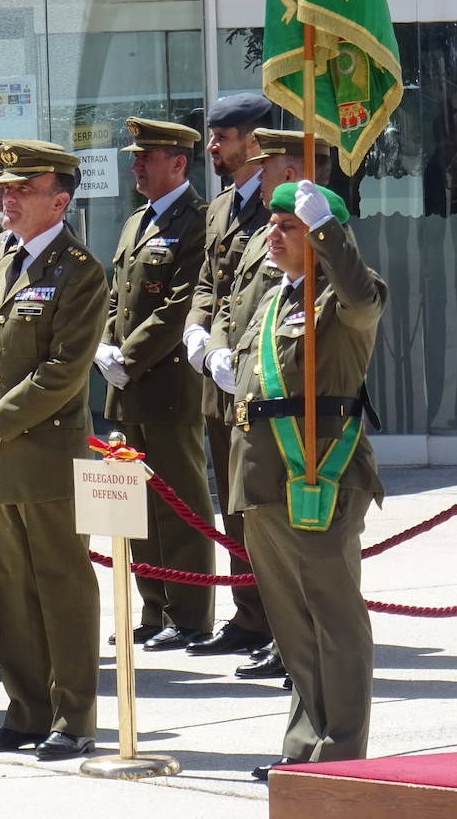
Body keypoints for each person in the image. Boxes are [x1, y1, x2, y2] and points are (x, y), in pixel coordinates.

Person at [230, 180, 385, 778]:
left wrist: (326, 228)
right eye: (274, 224)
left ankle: (341, 749)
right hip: (266, 480)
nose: (274, 234)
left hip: (321, 475)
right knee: (292, 622)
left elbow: (363, 300)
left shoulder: (345, 297)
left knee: (333, 618)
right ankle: (305, 744)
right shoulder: (276, 301)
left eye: (290, 226)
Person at [0, 140, 105, 761]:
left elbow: (63, 370)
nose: (5, 199)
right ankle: (24, 711)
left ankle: (72, 717)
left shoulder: (80, 270)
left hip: (45, 455)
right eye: (2, 189)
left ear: (60, 200)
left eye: (20, 190)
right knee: (9, 587)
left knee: (60, 587)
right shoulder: (0, 252)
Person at [203, 126, 332, 683]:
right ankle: (278, 635)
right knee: (262, 538)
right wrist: (210, 347)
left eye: (265, 163)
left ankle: (299, 646)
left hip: (299, 423)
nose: (253, 173)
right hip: (253, 407)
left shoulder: (324, 236)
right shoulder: (264, 235)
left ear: (291, 169)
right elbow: (233, 301)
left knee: (303, 552)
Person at [95, 117, 213, 652]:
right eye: (135, 156)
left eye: (145, 157)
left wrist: (131, 355)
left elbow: (180, 305)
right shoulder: (136, 221)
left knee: (179, 502)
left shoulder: (199, 222)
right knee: (134, 502)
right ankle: (154, 606)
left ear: (178, 163)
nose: (135, 165)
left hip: (167, 385)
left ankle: (189, 612)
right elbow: (116, 297)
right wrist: (103, 345)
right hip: (127, 386)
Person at [182, 94, 275, 660]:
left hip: (260, 381)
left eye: (224, 136)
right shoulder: (219, 209)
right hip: (220, 384)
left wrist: (228, 352)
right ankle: (249, 615)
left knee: (264, 510)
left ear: (256, 140)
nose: (212, 147)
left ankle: (279, 623)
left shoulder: (277, 206)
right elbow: (207, 288)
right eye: (213, 136)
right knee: (234, 508)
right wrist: (200, 336)